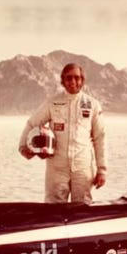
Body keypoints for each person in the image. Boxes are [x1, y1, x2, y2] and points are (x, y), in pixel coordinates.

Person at [18, 63, 108, 203]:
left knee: (81, 211)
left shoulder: (92, 105)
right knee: (53, 211)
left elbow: (100, 137)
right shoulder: (53, 103)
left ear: (82, 80)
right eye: (69, 78)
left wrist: (102, 170)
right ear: (62, 81)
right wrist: (23, 147)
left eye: (77, 78)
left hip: (82, 168)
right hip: (57, 168)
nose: (73, 82)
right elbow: (32, 123)